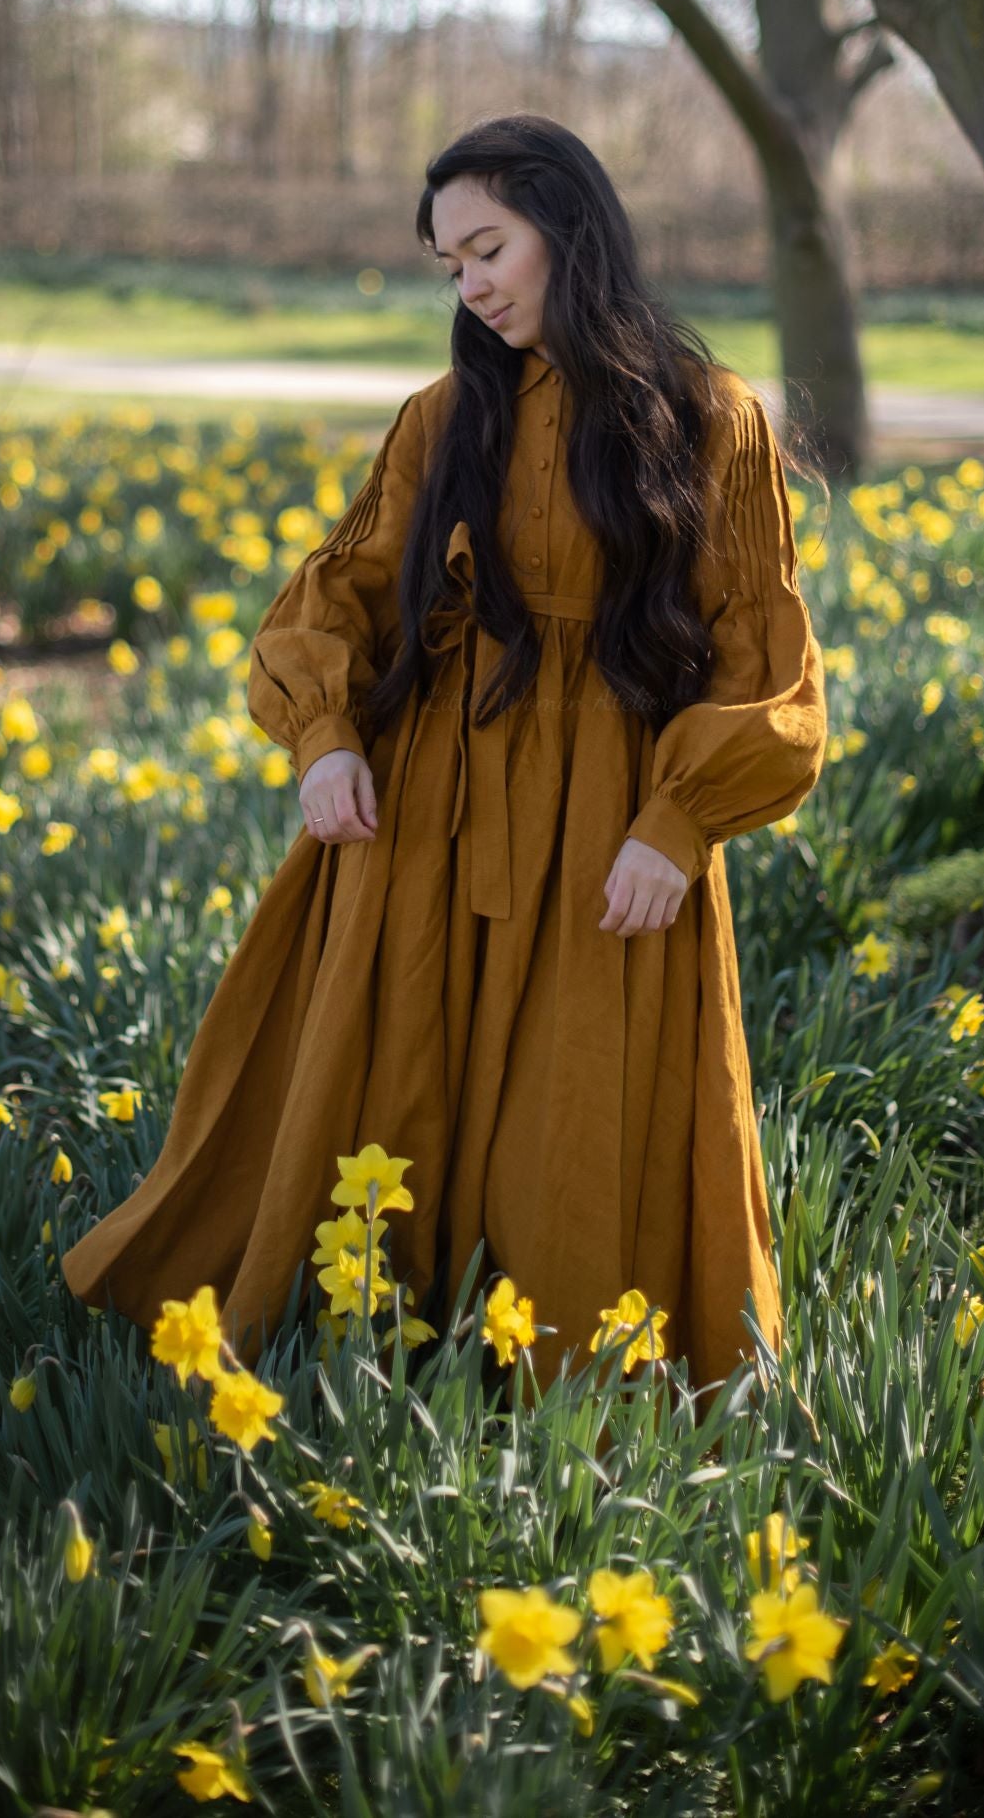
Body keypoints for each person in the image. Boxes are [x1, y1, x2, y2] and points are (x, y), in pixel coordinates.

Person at [61, 112, 828, 1394]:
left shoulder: (708, 418)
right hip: (425, 814)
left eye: (487, 247)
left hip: (608, 829)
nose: (470, 284)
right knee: (391, 1092)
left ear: (566, 229)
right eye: (449, 263)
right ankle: (370, 1358)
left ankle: (569, 1401)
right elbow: (338, 597)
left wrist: (677, 823)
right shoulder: (440, 418)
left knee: (575, 1114)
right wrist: (322, 743)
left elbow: (765, 660)